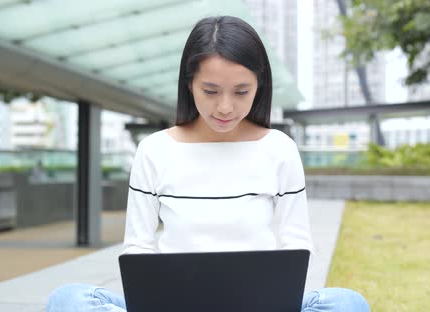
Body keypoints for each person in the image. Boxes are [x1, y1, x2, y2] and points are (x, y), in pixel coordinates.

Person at [47, 16, 370, 312]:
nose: (226, 107)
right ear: (189, 84)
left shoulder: (279, 149)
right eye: (210, 91)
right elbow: (138, 247)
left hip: (258, 305)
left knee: (347, 303)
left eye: (241, 91)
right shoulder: (155, 150)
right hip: (175, 305)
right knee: (68, 299)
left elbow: (296, 244)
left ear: (259, 87)